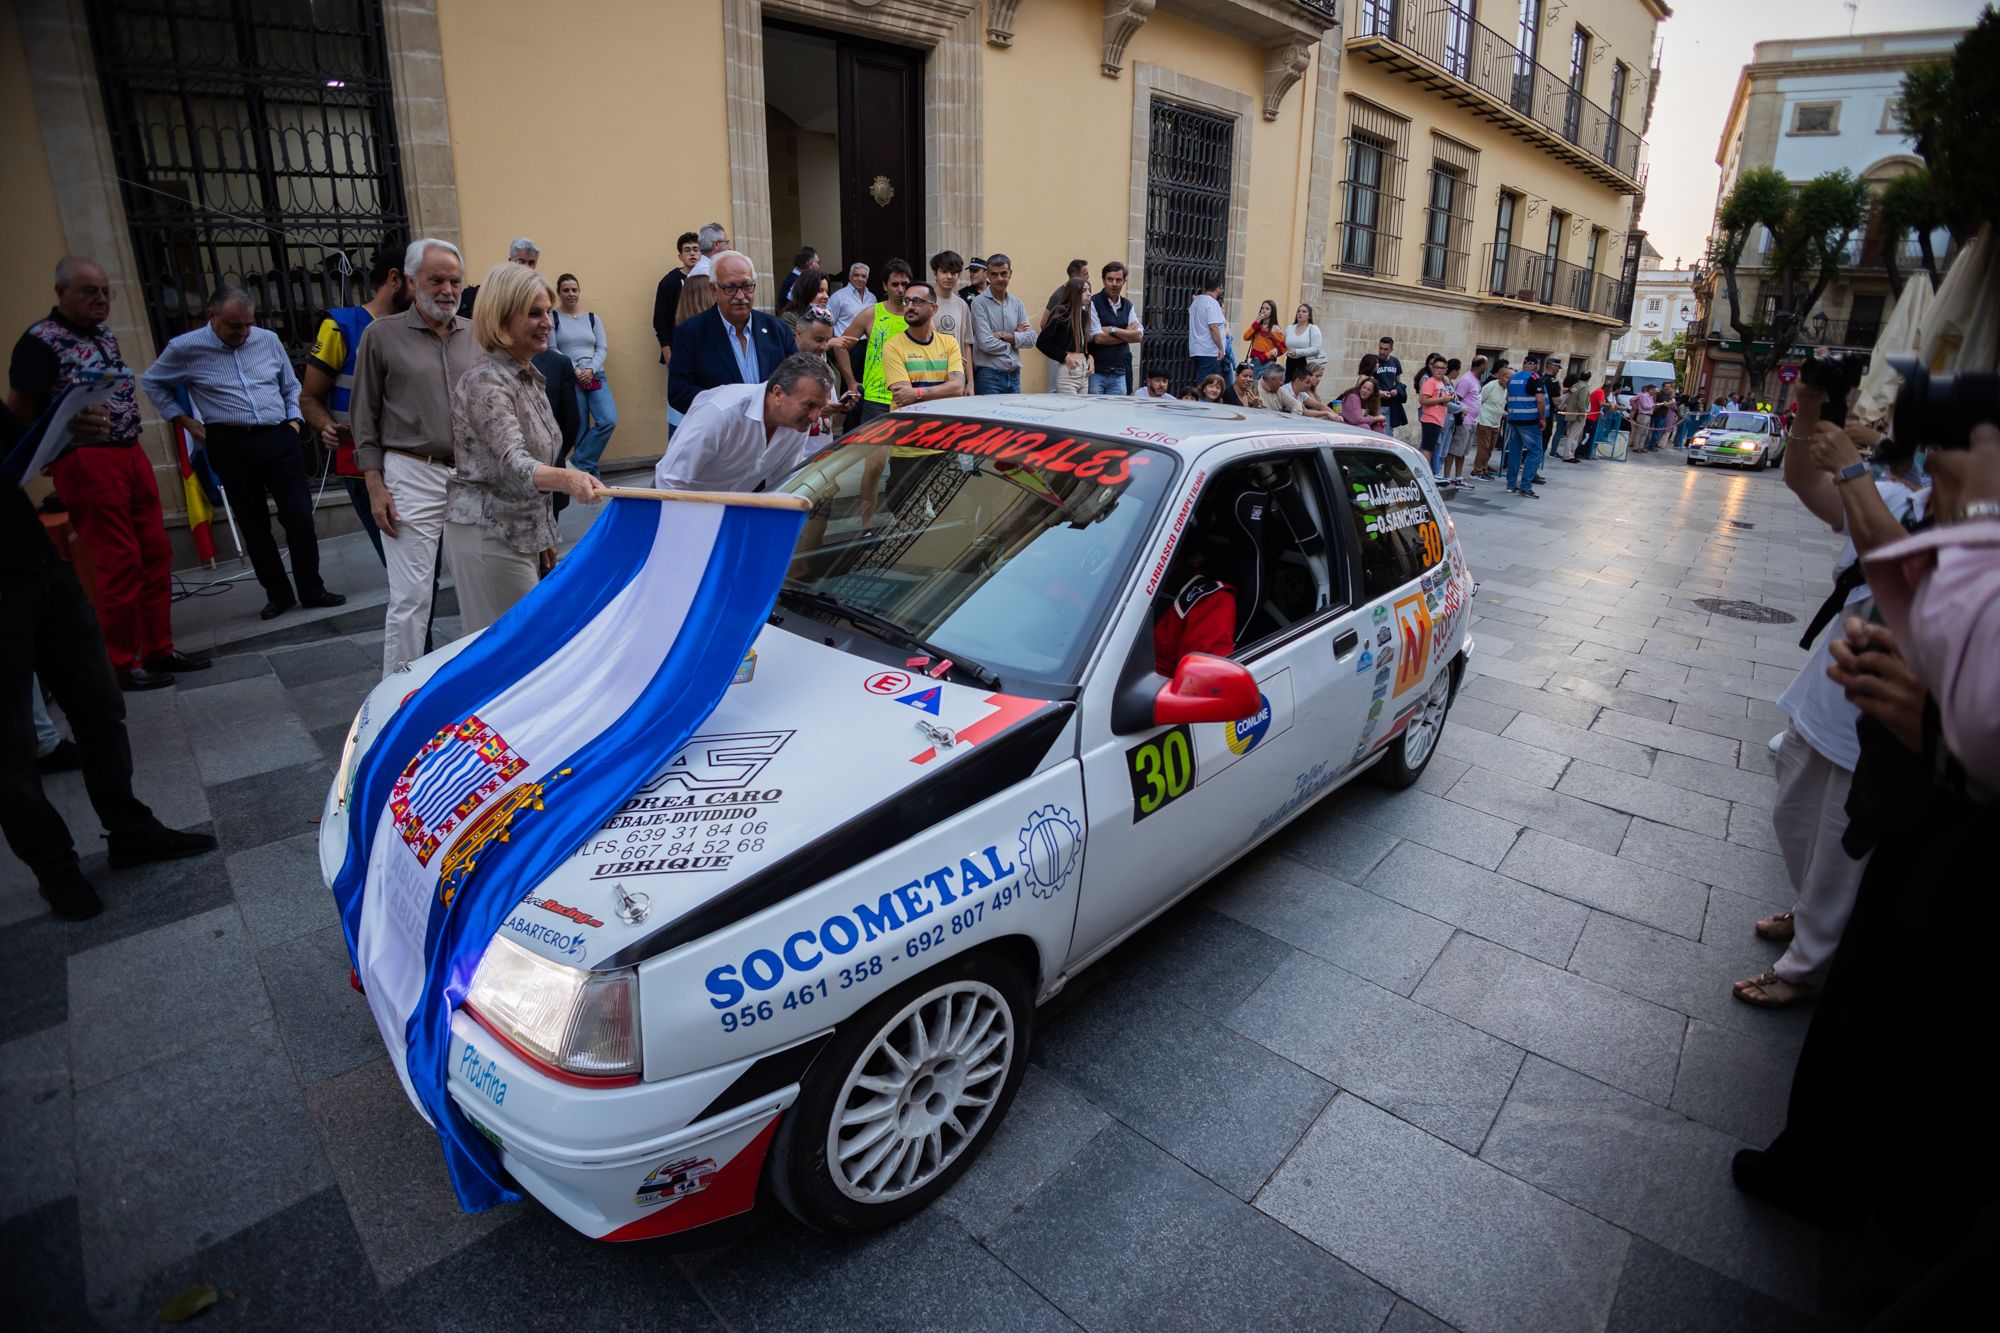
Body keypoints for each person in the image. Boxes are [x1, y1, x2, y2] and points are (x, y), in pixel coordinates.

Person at [1731, 394, 1931, 1009]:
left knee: (1844, 839)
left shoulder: (1958, 519)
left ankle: (1808, 965)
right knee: (1793, 815)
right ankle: (1811, 912)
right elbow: (1802, 483)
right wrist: (1807, 415)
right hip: (1826, 691)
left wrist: (1851, 466)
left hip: (1884, 704)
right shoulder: (1898, 497)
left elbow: (1904, 569)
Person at [1, 400, 216, 920]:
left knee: (99, 707)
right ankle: (56, 868)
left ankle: (130, 829)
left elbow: (20, 449)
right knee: (10, 749)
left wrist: (56, 431)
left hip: (34, 562)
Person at [7, 257, 207, 690]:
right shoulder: (40, 341)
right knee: (119, 561)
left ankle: (159, 647)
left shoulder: (103, 334)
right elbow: (20, 411)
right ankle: (119, 661)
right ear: (61, 292)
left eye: (105, 292)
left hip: (129, 452)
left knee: (156, 551)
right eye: (88, 291)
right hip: (87, 460)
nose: (101, 300)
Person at [140, 287, 344, 622]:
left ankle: (312, 587)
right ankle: (278, 594)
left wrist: (293, 421)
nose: (243, 332)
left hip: (278, 434)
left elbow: (290, 384)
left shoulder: (266, 339)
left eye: (248, 324)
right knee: (253, 523)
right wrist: (186, 421)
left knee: (298, 513)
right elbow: (152, 382)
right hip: (229, 441)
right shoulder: (185, 348)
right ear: (212, 316)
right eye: (235, 326)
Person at [444, 263, 604, 632]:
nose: (547, 321)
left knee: (527, 648)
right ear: (501, 320)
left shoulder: (527, 376)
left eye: (547, 311)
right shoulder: (487, 381)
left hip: (519, 534)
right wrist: (571, 479)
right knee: (504, 656)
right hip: (490, 534)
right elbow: (515, 463)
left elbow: (538, 460)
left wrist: (541, 536)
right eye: (534, 313)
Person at [350, 236, 479, 678]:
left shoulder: (476, 336)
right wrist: (374, 483)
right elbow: (363, 414)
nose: (447, 289)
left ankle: (475, 688)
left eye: (455, 281)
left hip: (470, 476)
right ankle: (396, 702)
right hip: (409, 472)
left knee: (477, 588)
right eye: (436, 279)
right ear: (409, 281)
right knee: (411, 598)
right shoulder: (380, 335)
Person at [301, 239, 407, 565]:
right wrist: (327, 426)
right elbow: (308, 398)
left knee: (421, 568)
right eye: (421, 281)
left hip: (413, 462)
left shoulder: (417, 327)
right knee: (402, 563)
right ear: (394, 278)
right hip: (363, 468)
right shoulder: (340, 326)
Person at [654, 355, 836, 493]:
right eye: (809, 405)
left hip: (731, 513)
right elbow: (669, 480)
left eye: (821, 407)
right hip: (679, 508)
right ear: (778, 393)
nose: (815, 417)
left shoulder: (797, 426)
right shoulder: (721, 411)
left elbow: (783, 487)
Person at [668, 251, 799, 416]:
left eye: (747, 286)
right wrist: (731, 406)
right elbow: (679, 392)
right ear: (713, 290)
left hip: (771, 433)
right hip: (721, 436)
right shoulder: (690, 333)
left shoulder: (777, 329)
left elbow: (797, 376)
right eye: (730, 287)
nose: (740, 296)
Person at [546, 273, 617, 477]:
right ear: (559, 293)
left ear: (579, 291)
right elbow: (552, 348)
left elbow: (602, 347)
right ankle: (590, 482)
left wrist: (590, 370)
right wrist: (575, 368)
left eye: (574, 290)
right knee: (580, 429)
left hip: (596, 377)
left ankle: (576, 463)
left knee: (608, 420)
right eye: (566, 290)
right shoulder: (553, 318)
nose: (571, 294)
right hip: (570, 379)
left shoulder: (593, 318)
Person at [834, 258, 911, 428]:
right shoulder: (872, 314)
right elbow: (841, 345)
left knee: (907, 453)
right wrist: (851, 382)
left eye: (905, 284)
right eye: (895, 284)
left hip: (910, 397)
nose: (900, 289)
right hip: (876, 399)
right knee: (875, 454)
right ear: (885, 286)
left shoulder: (916, 315)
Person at [967, 253, 1036, 396]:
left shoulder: (1017, 303)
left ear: (1010, 274)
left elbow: (1031, 339)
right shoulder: (978, 303)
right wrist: (1016, 339)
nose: (999, 279)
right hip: (989, 377)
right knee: (988, 418)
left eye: (1004, 274)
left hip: (1015, 376)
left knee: (1012, 418)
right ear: (987, 275)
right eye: (994, 274)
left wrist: (1003, 336)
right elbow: (986, 343)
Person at [1088, 262, 1142, 396]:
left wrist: (1112, 329)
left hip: (1119, 373)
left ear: (1124, 281)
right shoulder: (1093, 302)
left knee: (1117, 413)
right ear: (1103, 280)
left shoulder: (1128, 305)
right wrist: (1126, 333)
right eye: (1110, 279)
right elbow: (1098, 338)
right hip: (1096, 372)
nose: (1114, 283)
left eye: (1118, 280)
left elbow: (1138, 336)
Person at [652, 230, 701, 364]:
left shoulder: (709, 280)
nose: (692, 253)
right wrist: (668, 354)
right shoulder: (669, 282)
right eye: (687, 250)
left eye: (696, 249)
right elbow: (660, 321)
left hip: (706, 347)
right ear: (680, 256)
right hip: (680, 348)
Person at [457, 236, 538, 316]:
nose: (526, 267)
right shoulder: (493, 288)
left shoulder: (538, 293)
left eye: (531, 263)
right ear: (511, 262)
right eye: (521, 261)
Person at [1503, 352, 1546, 497]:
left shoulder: (1513, 378)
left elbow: (1509, 398)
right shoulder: (1534, 378)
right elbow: (1540, 400)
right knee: (1535, 452)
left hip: (1514, 420)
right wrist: (1542, 419)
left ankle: (1511, 484)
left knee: (1515, 452)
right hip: (1530, 421)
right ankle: (1526, 486)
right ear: (1535, 365)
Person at [1045, 275, 1093, 396]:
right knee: (1069, 411)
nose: (1089, 294)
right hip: (1068, 371)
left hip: (1083, 371)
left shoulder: (1084, 316)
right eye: (1084, 290)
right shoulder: (1061, 312)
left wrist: (1089, 357)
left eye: (1089, 290)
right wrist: (1064, 357)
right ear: (1073, 293)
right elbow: (1043, 342)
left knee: (1082, 411)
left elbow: (1081, 345)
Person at [1447, 356, 1483, 482]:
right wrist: (1462, 411)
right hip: (1464, 421)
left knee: (1463, 451)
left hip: (1472, 421)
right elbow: (1457, 399)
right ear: (1481, 365)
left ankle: (1458, 476)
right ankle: (1446, 476)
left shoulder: (1475, 380)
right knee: (1455, 449)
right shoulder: (1466, 380)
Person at [1415, 353, 1451, 479]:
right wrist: (1442, 399)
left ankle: (1426, 473)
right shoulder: (1430, 382)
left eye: (1442, 368)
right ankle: (1425, 475)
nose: (1439, 370)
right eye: (1437, 368)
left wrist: (1445, 400)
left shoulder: (1441, 382)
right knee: (1427, 448)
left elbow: (1440, 400)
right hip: (1430, 418)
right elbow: (1424, 400)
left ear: (1446, 370)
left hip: (1438, 419)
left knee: (1431, 447)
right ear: (1432, 368)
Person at [1187, 275, 1227, 385]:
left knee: (1203, 383)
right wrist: (1220, 348)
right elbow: (1213, 327)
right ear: (1218, 288)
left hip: (1197, 349)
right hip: (1209, 351)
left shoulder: (1196, 302)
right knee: (1208, 385)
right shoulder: (1212, 303)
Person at [1474, 358, 1508, 478]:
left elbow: (1500, 404)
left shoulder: (1506, 389)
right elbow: (1480, 400)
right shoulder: (1491, 386)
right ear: (1500, 377)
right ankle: (1477, 471)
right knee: (1483, 447)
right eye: (1507, 378)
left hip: (1496, 421)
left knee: (1490, 448)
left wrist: (1503, 412)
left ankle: (1484, 468)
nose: (1508, 381)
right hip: (1485, 420)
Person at [930, 251, 971, 348]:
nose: (949, 277)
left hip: (957, 362)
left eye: (953, 273)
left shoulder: (962, 305)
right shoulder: (925, 302)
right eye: (944, 272)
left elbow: (966, 344)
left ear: (959, 275)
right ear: (935, 273)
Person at [1374, 335, 1411, 443]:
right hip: (1376, 404)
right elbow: (1365, 382)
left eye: (1385, 349)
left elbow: (1399, 382)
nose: (1382, 351)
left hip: (1391, 404)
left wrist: (1397, 390)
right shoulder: (1374, 361)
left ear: (1391, 350)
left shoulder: (1395, 361)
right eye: (1380, 348)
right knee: (1377, 435)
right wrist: (1380, 393)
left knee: (1388, 435)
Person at [827, 262, 875, 336]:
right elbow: (829, 322)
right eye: (856, 275)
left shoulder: (872, 298)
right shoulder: (838, 297)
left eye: (863, 276)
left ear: (867, 279)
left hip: (868, 342)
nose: (860, 279)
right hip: (845, 343)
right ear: (850, 277)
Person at [779, 267, 829, 335]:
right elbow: (796, 343)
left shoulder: (824, 315)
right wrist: (829, 343)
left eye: (827, 291)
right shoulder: (790, 317)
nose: (826, 296)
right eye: (820, 291)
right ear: (806, 291)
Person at [1243, 300, 1286, 371]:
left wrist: (1273, 352)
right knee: (1253, 382)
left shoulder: (1275, 329)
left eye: (1267, 309)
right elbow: (1245, 337)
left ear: (1272, 312)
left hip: (1267, 362)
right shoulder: (1257, 326)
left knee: (1263, 382)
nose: (1264, 310)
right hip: (1254, 361)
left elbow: (1283, 348)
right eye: (1262, 308)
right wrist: (1256, 322)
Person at [1284, 305, 1323, 382]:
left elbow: (1317, 349)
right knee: (1288, 386)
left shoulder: (1313, 329)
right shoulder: (1289, 328)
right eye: (1298, 311)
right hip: (1290, 362)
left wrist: (1298, 352)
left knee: (1302, 388)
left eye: (1304, 311)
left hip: (1305, 363)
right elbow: (1282, 343)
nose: (1300, 313)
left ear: (1309, 316)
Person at [777, 246, 816, 310]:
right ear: (810, 264)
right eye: (817, 262)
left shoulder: (793, 278)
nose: (818, 266)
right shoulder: (797, 281)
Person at [1582, 375, 1606, 459]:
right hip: (1592, 417)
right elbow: (1601, 404)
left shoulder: (1598, 391)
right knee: (1588, 436)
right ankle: (1583, 453)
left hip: (1592, 417)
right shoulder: (1600, 392)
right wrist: (1611, 405)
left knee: (1590, 436)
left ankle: (1588, 452)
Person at [1630, 382, 1657, 451]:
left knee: (1645, 432)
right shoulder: (1644, 396)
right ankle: (1636, 447)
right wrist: (1654, 405)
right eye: (1654, 390)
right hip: (1643, 415)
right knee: (1640, 432)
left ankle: (1641, 447)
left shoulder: (1651, 397)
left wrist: (1654, 405)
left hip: (1649, 416)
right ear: (1650, 389)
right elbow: (1645, 406)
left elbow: (1651, 407)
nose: (1655, 391)